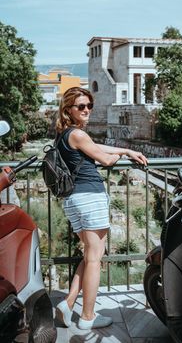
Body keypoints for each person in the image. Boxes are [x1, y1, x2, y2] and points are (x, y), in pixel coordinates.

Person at [55, 87, 148, 330]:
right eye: (81, 106)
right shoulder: (77, 134)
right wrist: (121, 154)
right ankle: (87, 317)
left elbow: (96, 148)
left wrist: (127, 150)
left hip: (74, 199)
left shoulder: (66, 134)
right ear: (69, 110)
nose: (86, 110)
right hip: (90, 197)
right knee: (95, 258)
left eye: (89, 106)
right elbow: (104, 159)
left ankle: (68, 302)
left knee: (89, 255)